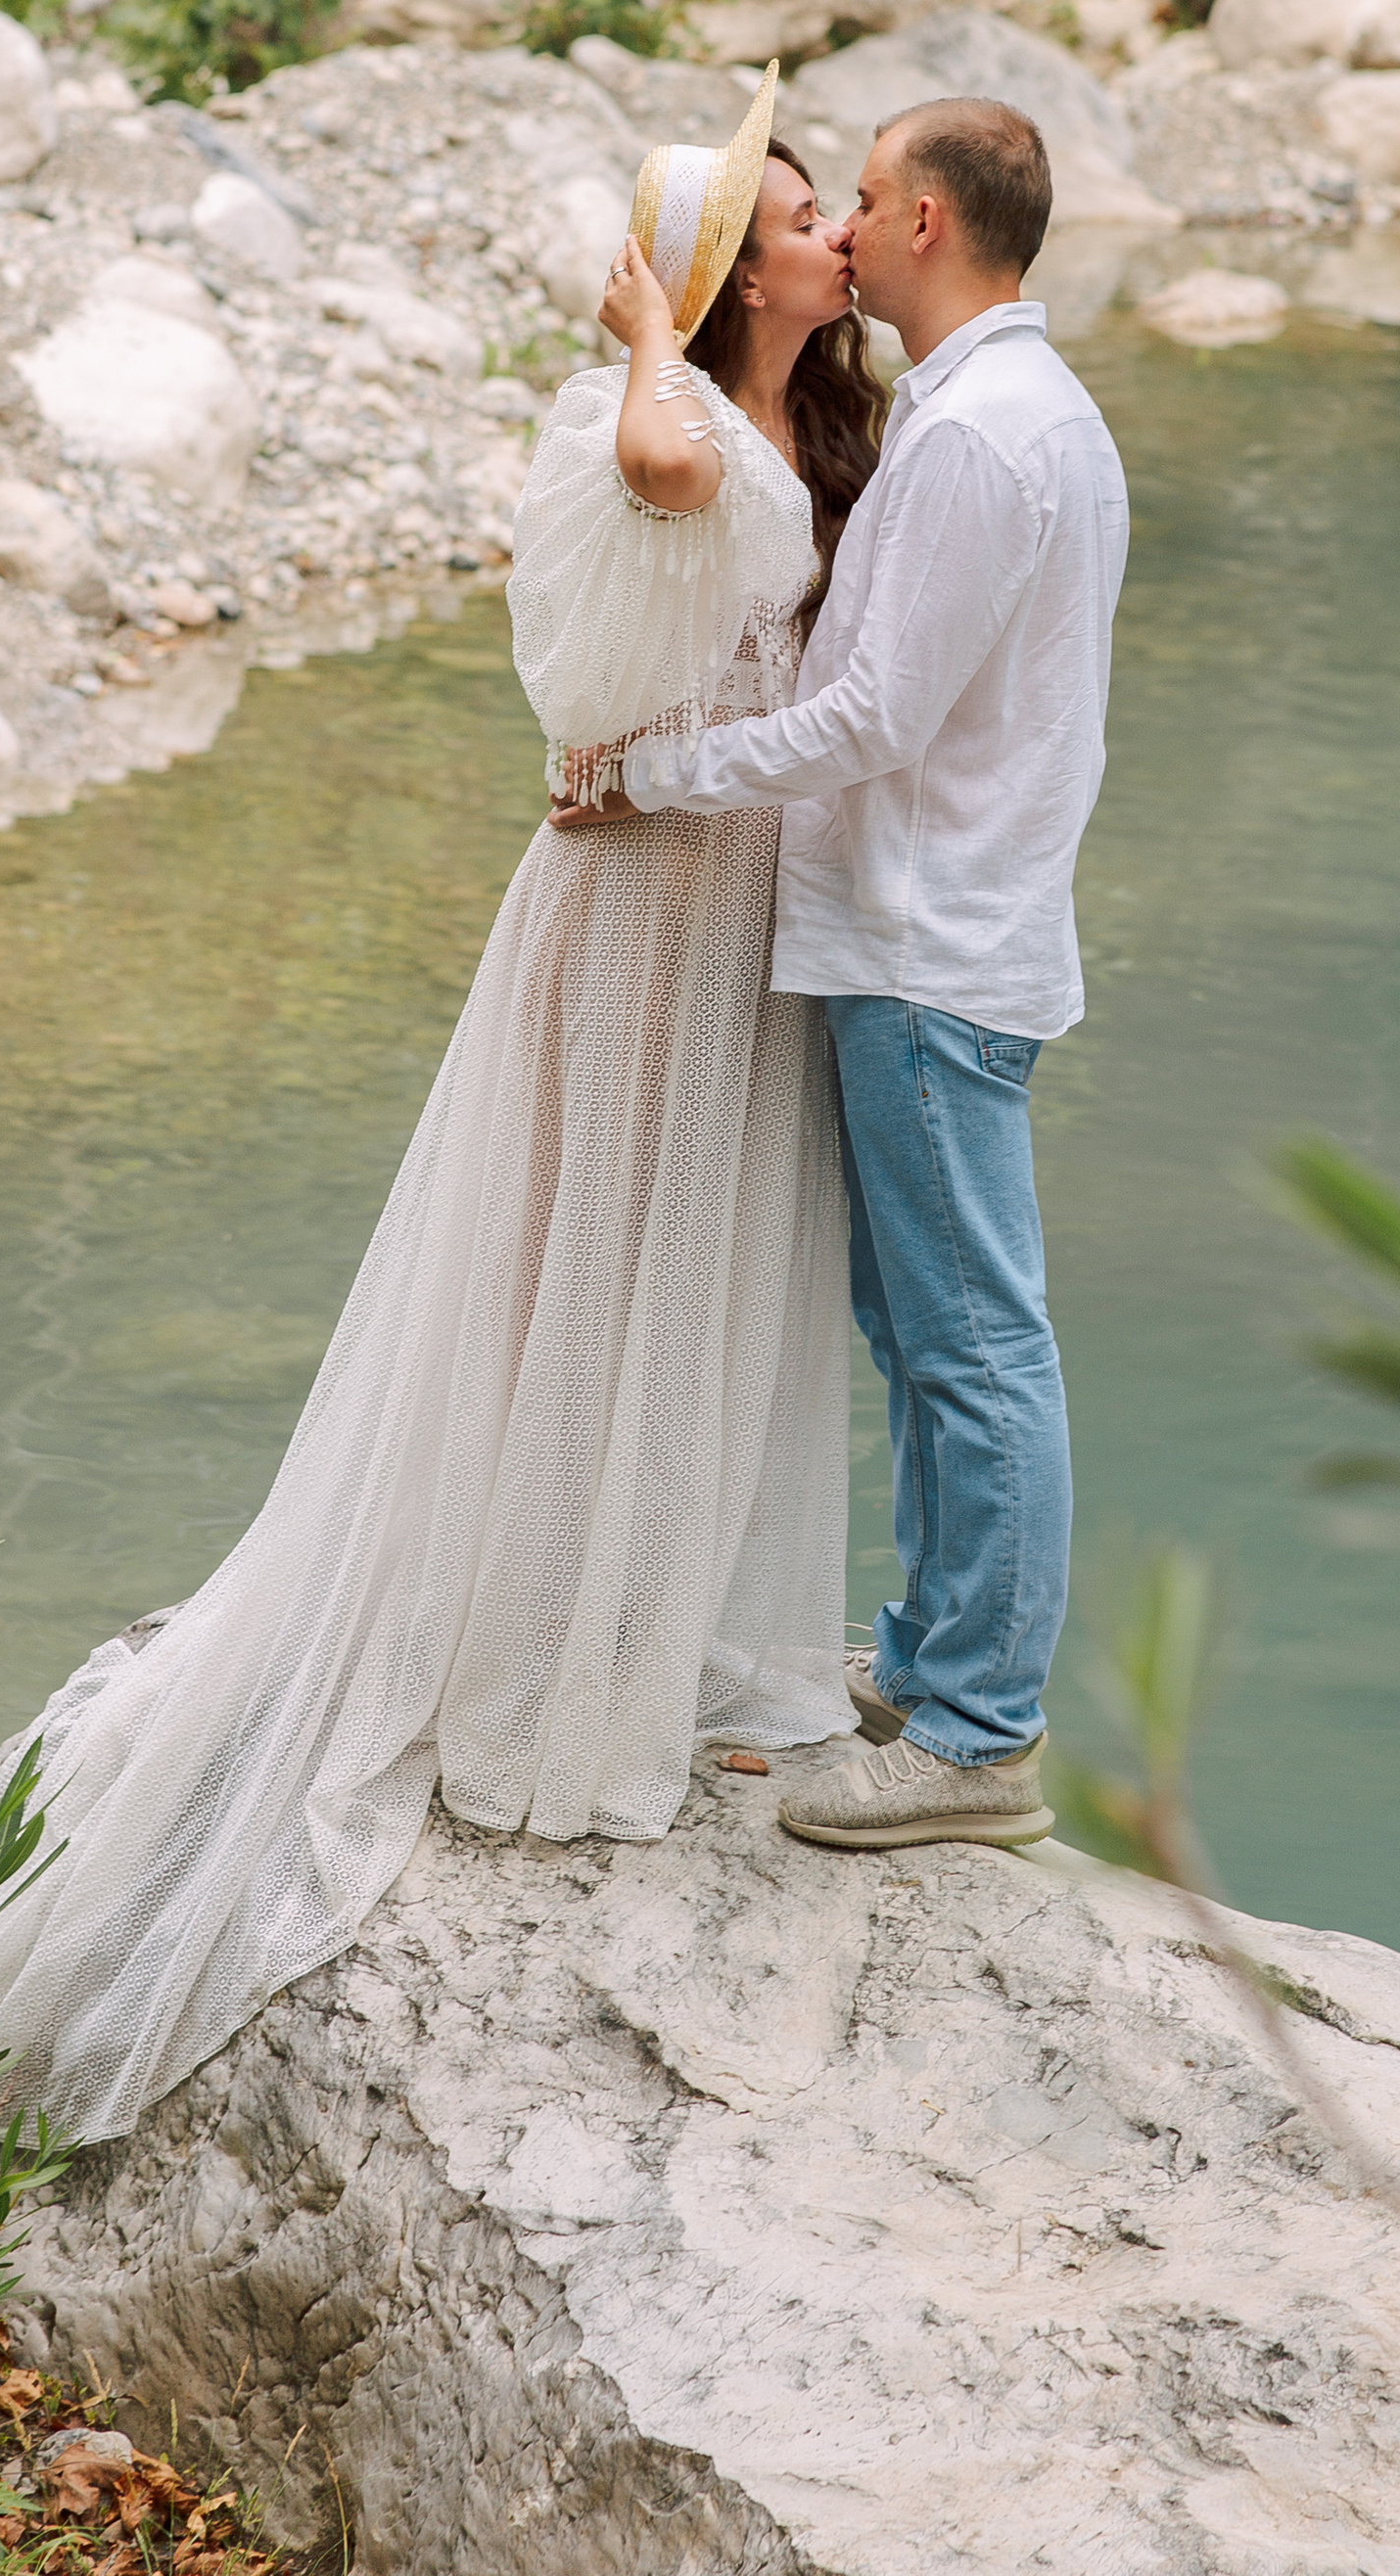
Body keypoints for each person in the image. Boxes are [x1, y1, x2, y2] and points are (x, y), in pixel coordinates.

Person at [0, 69, 887, 2145]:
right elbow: (660, 468)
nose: (839, 241)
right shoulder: (653, 412)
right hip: (634, 898)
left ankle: (632, 1636)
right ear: (731, 269)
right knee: (574, 1263)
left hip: (748, 895)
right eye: (803, 220)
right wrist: (649, 322)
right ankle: (527, 1665)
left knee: (703, 1265)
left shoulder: (832, 426)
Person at [549, 95, 1129, 1858]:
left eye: (865, 200)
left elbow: (874, 718)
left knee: (970, 1344)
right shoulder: (1003, 414)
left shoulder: (977, 440)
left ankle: (976, 1738)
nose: (849, 229)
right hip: (928, 931)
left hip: (929, 943)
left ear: (932, 225)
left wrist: (654, 775)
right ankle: (940, 1659)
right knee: (926, 1329)